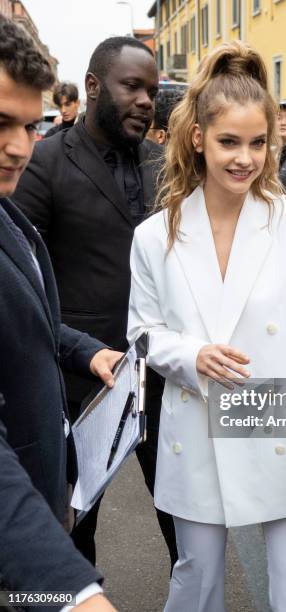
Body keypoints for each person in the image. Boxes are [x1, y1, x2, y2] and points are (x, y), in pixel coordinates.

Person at [127, 41, 286, 612]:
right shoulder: (155, 236)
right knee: (196, 580)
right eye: (229, 141)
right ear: (198, 138)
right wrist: (190, 355)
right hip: (195, 426)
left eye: (257, 143)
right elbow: (141, 333)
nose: (244, 158)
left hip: (282, 428)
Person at [13, 36, 177, 569]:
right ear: (92, 87)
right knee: (72, 528)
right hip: (80, 384)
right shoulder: (43, 163)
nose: (146, 100)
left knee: (183, 520)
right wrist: (76, 351)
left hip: (163, 376)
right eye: (131, 86)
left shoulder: (165, 163)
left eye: (151, 90)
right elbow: (24, 284)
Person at [0, 15, 121, 610]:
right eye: (1, 123)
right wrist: (70, 589)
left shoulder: (8, 217)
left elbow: (29, 326)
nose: (21, 146)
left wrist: (86, 350)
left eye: (28, 124)